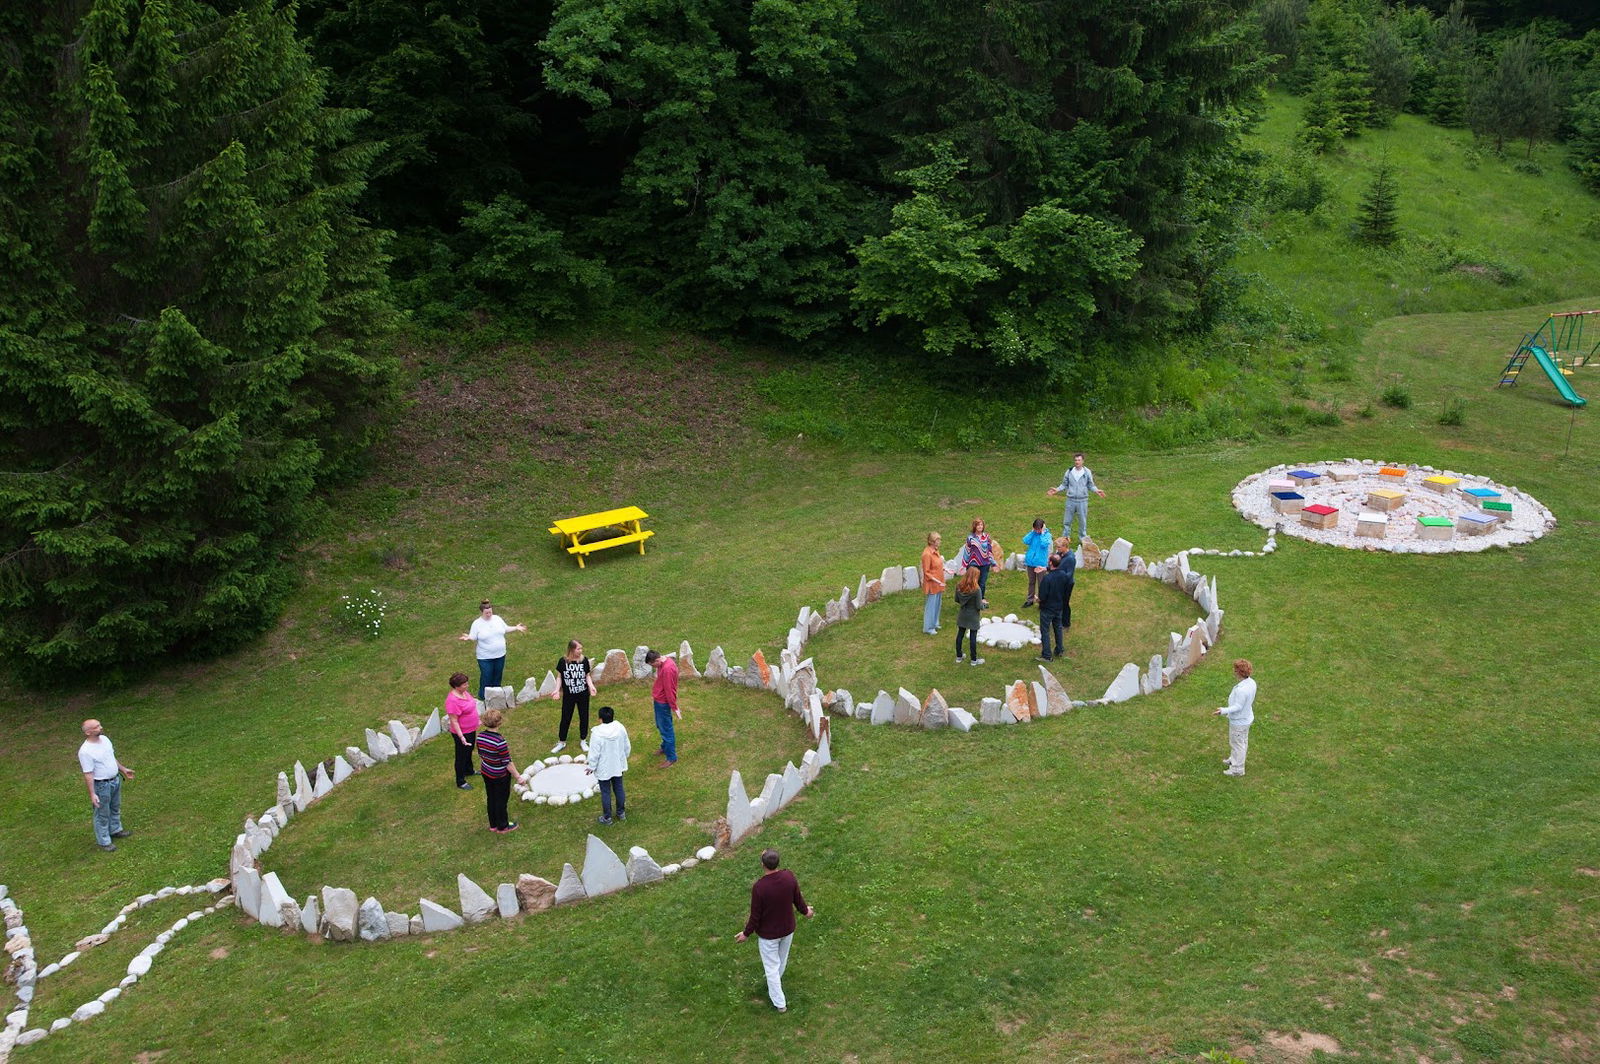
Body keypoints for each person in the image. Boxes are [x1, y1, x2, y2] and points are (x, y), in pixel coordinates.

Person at [733, 848, 815, 1013]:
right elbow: (797, 900)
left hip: (769, 936)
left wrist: (746, 934)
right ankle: (776, 985)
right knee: (781, 961)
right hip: (787, 929)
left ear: (762, 864)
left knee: (771, 969)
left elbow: (755, 916)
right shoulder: (789, 877)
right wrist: (806, 911)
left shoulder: (760, 887)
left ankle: (780, 1003)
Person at [79, 719, 134, 852]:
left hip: (115, 780)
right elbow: (88, 774)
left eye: (99, 725)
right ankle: (104, 841)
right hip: (101, 785)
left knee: (115, 807)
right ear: (88, 732)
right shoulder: (85, 751)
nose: (101, 727)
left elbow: (111, 757)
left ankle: (115, 830)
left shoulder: (105, 739)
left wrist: (123, 769)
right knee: (102, 814)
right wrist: (92, 794)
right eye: (96, 727)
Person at [457, 599, 527, 699]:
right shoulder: (477, 623)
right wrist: (468, 637)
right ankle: (483, 698)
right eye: (487, 613)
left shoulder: (497, 619)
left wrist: (516, 628)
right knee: (487, 677)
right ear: (482, 612)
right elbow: (473, 636)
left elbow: (505, 628)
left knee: (497, 676)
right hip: (485, 657)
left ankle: (496, 697)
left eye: (490, 612)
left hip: (500, 654)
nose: (489, 614)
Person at [474, 709, 520, 833]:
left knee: (491, 797)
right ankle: (503, 826)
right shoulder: (500, 741)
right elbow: (507, 762)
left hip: (486, 771)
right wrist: (518, 776)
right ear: (499, 723)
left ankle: (493, 824)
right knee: (501, 800)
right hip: (500, 775)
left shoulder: (480, 737)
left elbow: (480, 753)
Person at [548, 639, 597, 754]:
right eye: (578, 648)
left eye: (581, 648)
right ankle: (561, 742)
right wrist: (556, 690)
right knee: (565, 718)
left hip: (583, 694)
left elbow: (587, 676)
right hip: (569, 695)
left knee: (584, 716)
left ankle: (583, 740)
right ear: (571, 649)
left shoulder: (584, 661)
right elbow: (559, 677)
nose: (581, 651)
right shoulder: (563, 661)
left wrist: (591, 686)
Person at [586, 705, 631, 825]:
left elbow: (594, 753)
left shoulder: (597, 734)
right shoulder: (620, 728)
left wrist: (591, 767)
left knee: (606, 792)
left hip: (604, 768)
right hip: (618, 764)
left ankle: (607, 818)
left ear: (600, 719)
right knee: (619, 788)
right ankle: (621, 813)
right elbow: (627, 745)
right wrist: (624, 757)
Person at [1046, 452, 1107, 542]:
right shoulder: (1069, 471)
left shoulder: (1087, 472)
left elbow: (1090, 485)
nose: (1077, 462)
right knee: (1067, 521)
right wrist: (1057, 490)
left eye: (1079, 460)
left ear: (1083, 461)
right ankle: (1065, 538)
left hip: (1082, 501)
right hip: (1070, 500)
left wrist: (1096, 490)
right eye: (1075, 460)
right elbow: (1064, 484)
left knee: (1082, 522)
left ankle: (1083, 539)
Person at [1215, 659, 1257, 777]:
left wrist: (1223, 711)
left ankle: (1237, 769)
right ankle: (1234, 759)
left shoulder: (1241, 690)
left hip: (1239, 721)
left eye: (1236, 670)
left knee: (1238, 744)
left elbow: (1238, 706)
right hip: (1246, 718)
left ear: (1239, 672)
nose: (1234, 672)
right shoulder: (1252, 683)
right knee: (1241, 742)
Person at [1036, 552, 1074, 662]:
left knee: (1045, 631)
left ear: (1051, 563)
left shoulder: (1047, 579)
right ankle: (1059, 650)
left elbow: (1042, 596)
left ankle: (1047, 655)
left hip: (1047, 609)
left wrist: (1036, 599)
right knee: (1058, 628)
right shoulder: (1064, 575)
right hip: (1059, 607)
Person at [445, 671, 480, 790]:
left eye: (466, 683)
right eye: (464, 684)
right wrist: (461, 737)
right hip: (462, 733)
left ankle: (469, 770)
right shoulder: (452, 701)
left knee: (469, 750)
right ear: (456, 686)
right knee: (461, 756)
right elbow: (454, 721)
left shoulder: (464, 692)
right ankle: (460, 781)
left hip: (471, 729)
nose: (467, 686)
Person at [645, 649, 681, 766]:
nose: (653, 667)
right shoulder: (663, 662)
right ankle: (664, 747)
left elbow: (669, 690)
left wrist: (674, 707)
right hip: (659, 700)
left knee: (666, 729)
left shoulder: (667, 669)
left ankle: (671, 757)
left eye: (652, 664)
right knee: (661, 726)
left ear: (657, 660)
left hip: (663, 703)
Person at [957, 518, 1000, 607]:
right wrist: (963, 566)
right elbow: (967, 552)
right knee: (972, 582)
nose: (980, 526)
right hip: (973, 564)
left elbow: (989, 551)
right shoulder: (970, 538)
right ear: (975, 526)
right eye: (978, 525)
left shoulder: (986, 537)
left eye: (981, 525)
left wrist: (994, 564)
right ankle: (970, 599)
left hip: (985, 564)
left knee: (982, 583)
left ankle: (981, 598)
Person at [953, 566, 984, 666]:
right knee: (973, 637)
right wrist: (984, 604)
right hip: (973, 616)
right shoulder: (977, 589)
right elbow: (979, 606)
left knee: (960, 635)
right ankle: (974, 660)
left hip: (963, 614)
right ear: (975, 577)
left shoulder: (959, 586)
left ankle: (959, 656)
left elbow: (956, 600)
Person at [1021, 518, 1053, 607]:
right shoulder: (1033, 534)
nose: (1037, 531)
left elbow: (1044, 544)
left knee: (1041, 583)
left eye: (1039, 529)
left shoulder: (1047, 535)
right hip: (1030, 562)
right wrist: (1032, 532)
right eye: (1036, 529)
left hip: (1041, 564)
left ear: (1042, 528)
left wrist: (1042, 533)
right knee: (1031, 582)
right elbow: (1025, 540)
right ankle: (1030, 599)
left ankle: (1042, 601)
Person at [920, 531, 946, 635]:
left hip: (939, 583)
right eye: (937, 540)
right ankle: (928, 627)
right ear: (932, 541)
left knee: (937, 604)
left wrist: (946, 570)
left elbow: (938, 565)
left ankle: (935, 623)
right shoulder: (927, 554)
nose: (939, 542)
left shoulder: (936, 551)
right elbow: (927, 572)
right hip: (932, 584)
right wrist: (937, 580)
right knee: (931, 605)